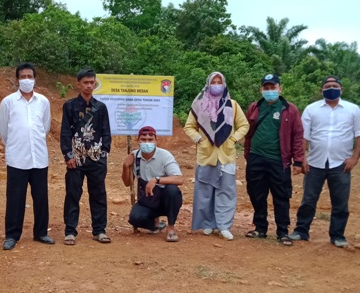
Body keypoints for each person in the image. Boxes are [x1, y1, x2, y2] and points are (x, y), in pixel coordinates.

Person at [289, 76, 360, 247]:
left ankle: (337, 235)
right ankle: (301, 231)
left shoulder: (353, 110)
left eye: (335, 85)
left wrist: (355, 158)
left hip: (340, 163)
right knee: (308, 200)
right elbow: (304, 135)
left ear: (342, 89)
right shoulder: (311, 109)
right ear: (321, 90)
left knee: (340, 202)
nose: (331, 88)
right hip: (314, 162)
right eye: (327, 86)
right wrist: (302, 157)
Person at [183, 72, 249, 240]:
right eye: (214, 82)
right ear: (208, 84)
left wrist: (233, 139)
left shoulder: (232, 105)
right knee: (205, 191)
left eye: (220, 82)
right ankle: (208, 224)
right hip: (206, 155)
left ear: (224, 84)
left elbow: (244, 125)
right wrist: (199, 139)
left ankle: (224, 225)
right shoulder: (199, 105)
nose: (217, 84)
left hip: (226, 155)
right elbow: (189, 126)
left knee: (226, 190)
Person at [0, 63, 54, 250]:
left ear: (35, 79)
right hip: (17, 158)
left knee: (41, 197)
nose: (27, 80)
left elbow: (45, 127)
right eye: (23, 76)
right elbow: (4, 130)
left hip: (39, 157)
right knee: (15, 198)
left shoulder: (43, 102)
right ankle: (12, 235)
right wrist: (14, 145)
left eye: (30, 76)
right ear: (17, 80)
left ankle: (41, 233)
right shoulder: (8, 102)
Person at [243, 74, 304, 246]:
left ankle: (282, 231)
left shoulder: (290, 109)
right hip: (256, 157)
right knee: (256, 193)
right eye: (266, 88)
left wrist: (298, 160)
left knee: (281, 195)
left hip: (279, 160)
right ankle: (260, 228)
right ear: (261, 90)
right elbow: (248, 132)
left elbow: (297, 136)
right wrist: (247, 153)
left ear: (280, 88)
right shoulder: (254, 108)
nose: (270, 91)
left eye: (273, 87)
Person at [61, 68, 112, 245]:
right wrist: (68, 156)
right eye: (85, 82)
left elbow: (106, 132)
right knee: (73, 193)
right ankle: (70, 231)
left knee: (98, 194)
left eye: (92, 82)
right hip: (76, 158)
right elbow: (65, 133)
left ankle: (99, 230)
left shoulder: (101, 108)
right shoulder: (70, 106)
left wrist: (103, 154)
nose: (89, 86)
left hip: (96, 157)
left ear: (95, 83)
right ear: (78, 84)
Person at [121, 126, 184, 242]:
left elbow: (179, 179)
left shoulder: (165, 155)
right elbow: (127, 183)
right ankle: (155, 223)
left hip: (165, 198)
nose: (147, 142)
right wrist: (125, 166)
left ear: (156, 141)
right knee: (135, 218)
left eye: (150, 139)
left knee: (172, 191)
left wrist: (156, 180)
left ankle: (170, 228)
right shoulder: (134, 157)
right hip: (147, 199)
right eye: (143, 139)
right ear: (138, 140)